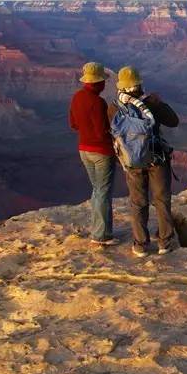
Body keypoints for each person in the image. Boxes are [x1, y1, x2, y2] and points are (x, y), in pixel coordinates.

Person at [110, 66, 180, 258]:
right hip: (156, 159)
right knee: (161, 200)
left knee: (138, 202)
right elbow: (174, 121)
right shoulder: (150, 103)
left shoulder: (115, 107)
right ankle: (165, 242)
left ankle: (140, 244)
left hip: (132, 162)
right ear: (139, 84)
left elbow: (111, 133)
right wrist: (158, 102)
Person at [69, 62, 117, 245]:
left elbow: (73, 124)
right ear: (97, 83)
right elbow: (101, 132)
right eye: (103, 81)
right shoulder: (97, 102)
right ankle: (101, 235)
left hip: (84, 150)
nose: (105, 84)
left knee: (97, 190)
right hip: (101, 152)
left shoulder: (76, 97)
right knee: (103, 191)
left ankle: (98, 229)